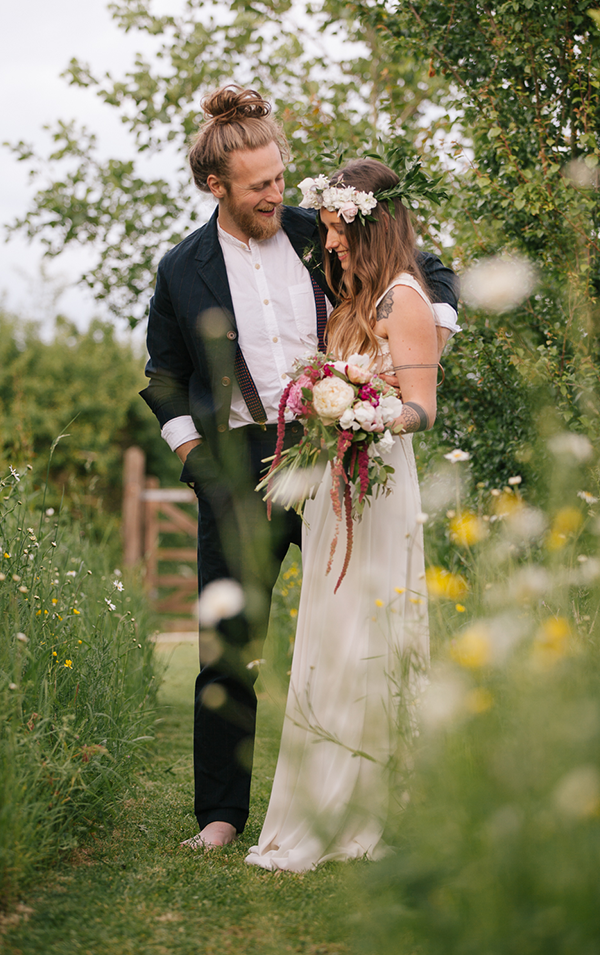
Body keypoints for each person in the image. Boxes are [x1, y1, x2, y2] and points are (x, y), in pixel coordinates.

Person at [140, 86, 460, 850]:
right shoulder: (181, 268)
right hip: (238, 467)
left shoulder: (320, 232)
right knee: (229, 643)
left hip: (339, 454)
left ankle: (373, 793)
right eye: (259, 186)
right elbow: (163, 377)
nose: (275, 194)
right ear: (215, 186)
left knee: (353, 629)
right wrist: (198, 465)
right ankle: (220, 816)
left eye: (280, 177)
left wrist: (431, 335)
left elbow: (425, 266)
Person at [245, 158, 438, 871]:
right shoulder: (354, 304)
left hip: (379, 487)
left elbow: (422, 408)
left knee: (370, 633)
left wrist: (364, 413)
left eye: (336, 230)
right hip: (337, 484)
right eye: (325, 229)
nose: (327, 243)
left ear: (372, 227)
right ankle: (322, 799)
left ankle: (370, 806)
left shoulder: (404, 300)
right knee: (330, 634)